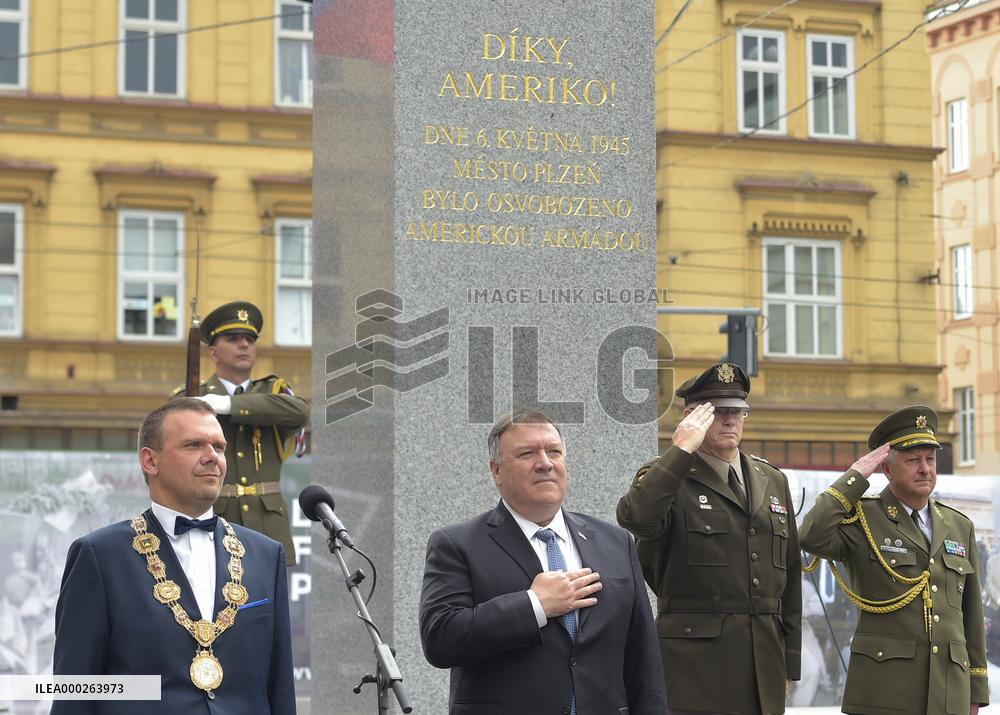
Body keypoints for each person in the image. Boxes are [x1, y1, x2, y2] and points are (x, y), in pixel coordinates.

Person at [52, 398, 295, 714]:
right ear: (150, 461)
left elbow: (279, 687)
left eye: (219, 448)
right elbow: (75, 691)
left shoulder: (265, 554)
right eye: (194, 445)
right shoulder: (99, 556)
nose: (213, 458)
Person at [419, 410, 667, 714]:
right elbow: (440, 639)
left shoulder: (616, 542)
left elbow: (643, 659)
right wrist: (533, 605)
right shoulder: (457, 544)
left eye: (554, 452)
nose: (545, 463)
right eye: (527, 453)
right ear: (496, 471)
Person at [617, 362, 802, 715]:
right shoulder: (668, 475)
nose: (730, 420)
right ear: (691, 418)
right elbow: (636, 518)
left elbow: (790, 575)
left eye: (738, 411)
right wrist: (681, 450)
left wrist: (790, 660)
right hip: (693, 667)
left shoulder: (770, 479)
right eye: (717, 411)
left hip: (763, 664)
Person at [799, 405, 988, 715]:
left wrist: (976, 692)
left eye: (930, 459)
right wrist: (854, 478)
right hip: (885, 692)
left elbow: (971, 616)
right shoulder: (863, 517)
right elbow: (810, 535)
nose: (925, 469)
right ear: (887, 469)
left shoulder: (958, 525)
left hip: (949, 693)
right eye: (913, 460)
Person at [173, 301, 309, 565]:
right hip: (214, 522)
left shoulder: (275, 391)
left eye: (249, 339)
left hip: (268, 527)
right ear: (213, 352)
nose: (244, 345)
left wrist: (227, 404)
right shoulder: (191, 395)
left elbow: (301, 413)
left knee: (268, 605)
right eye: (233, 339)